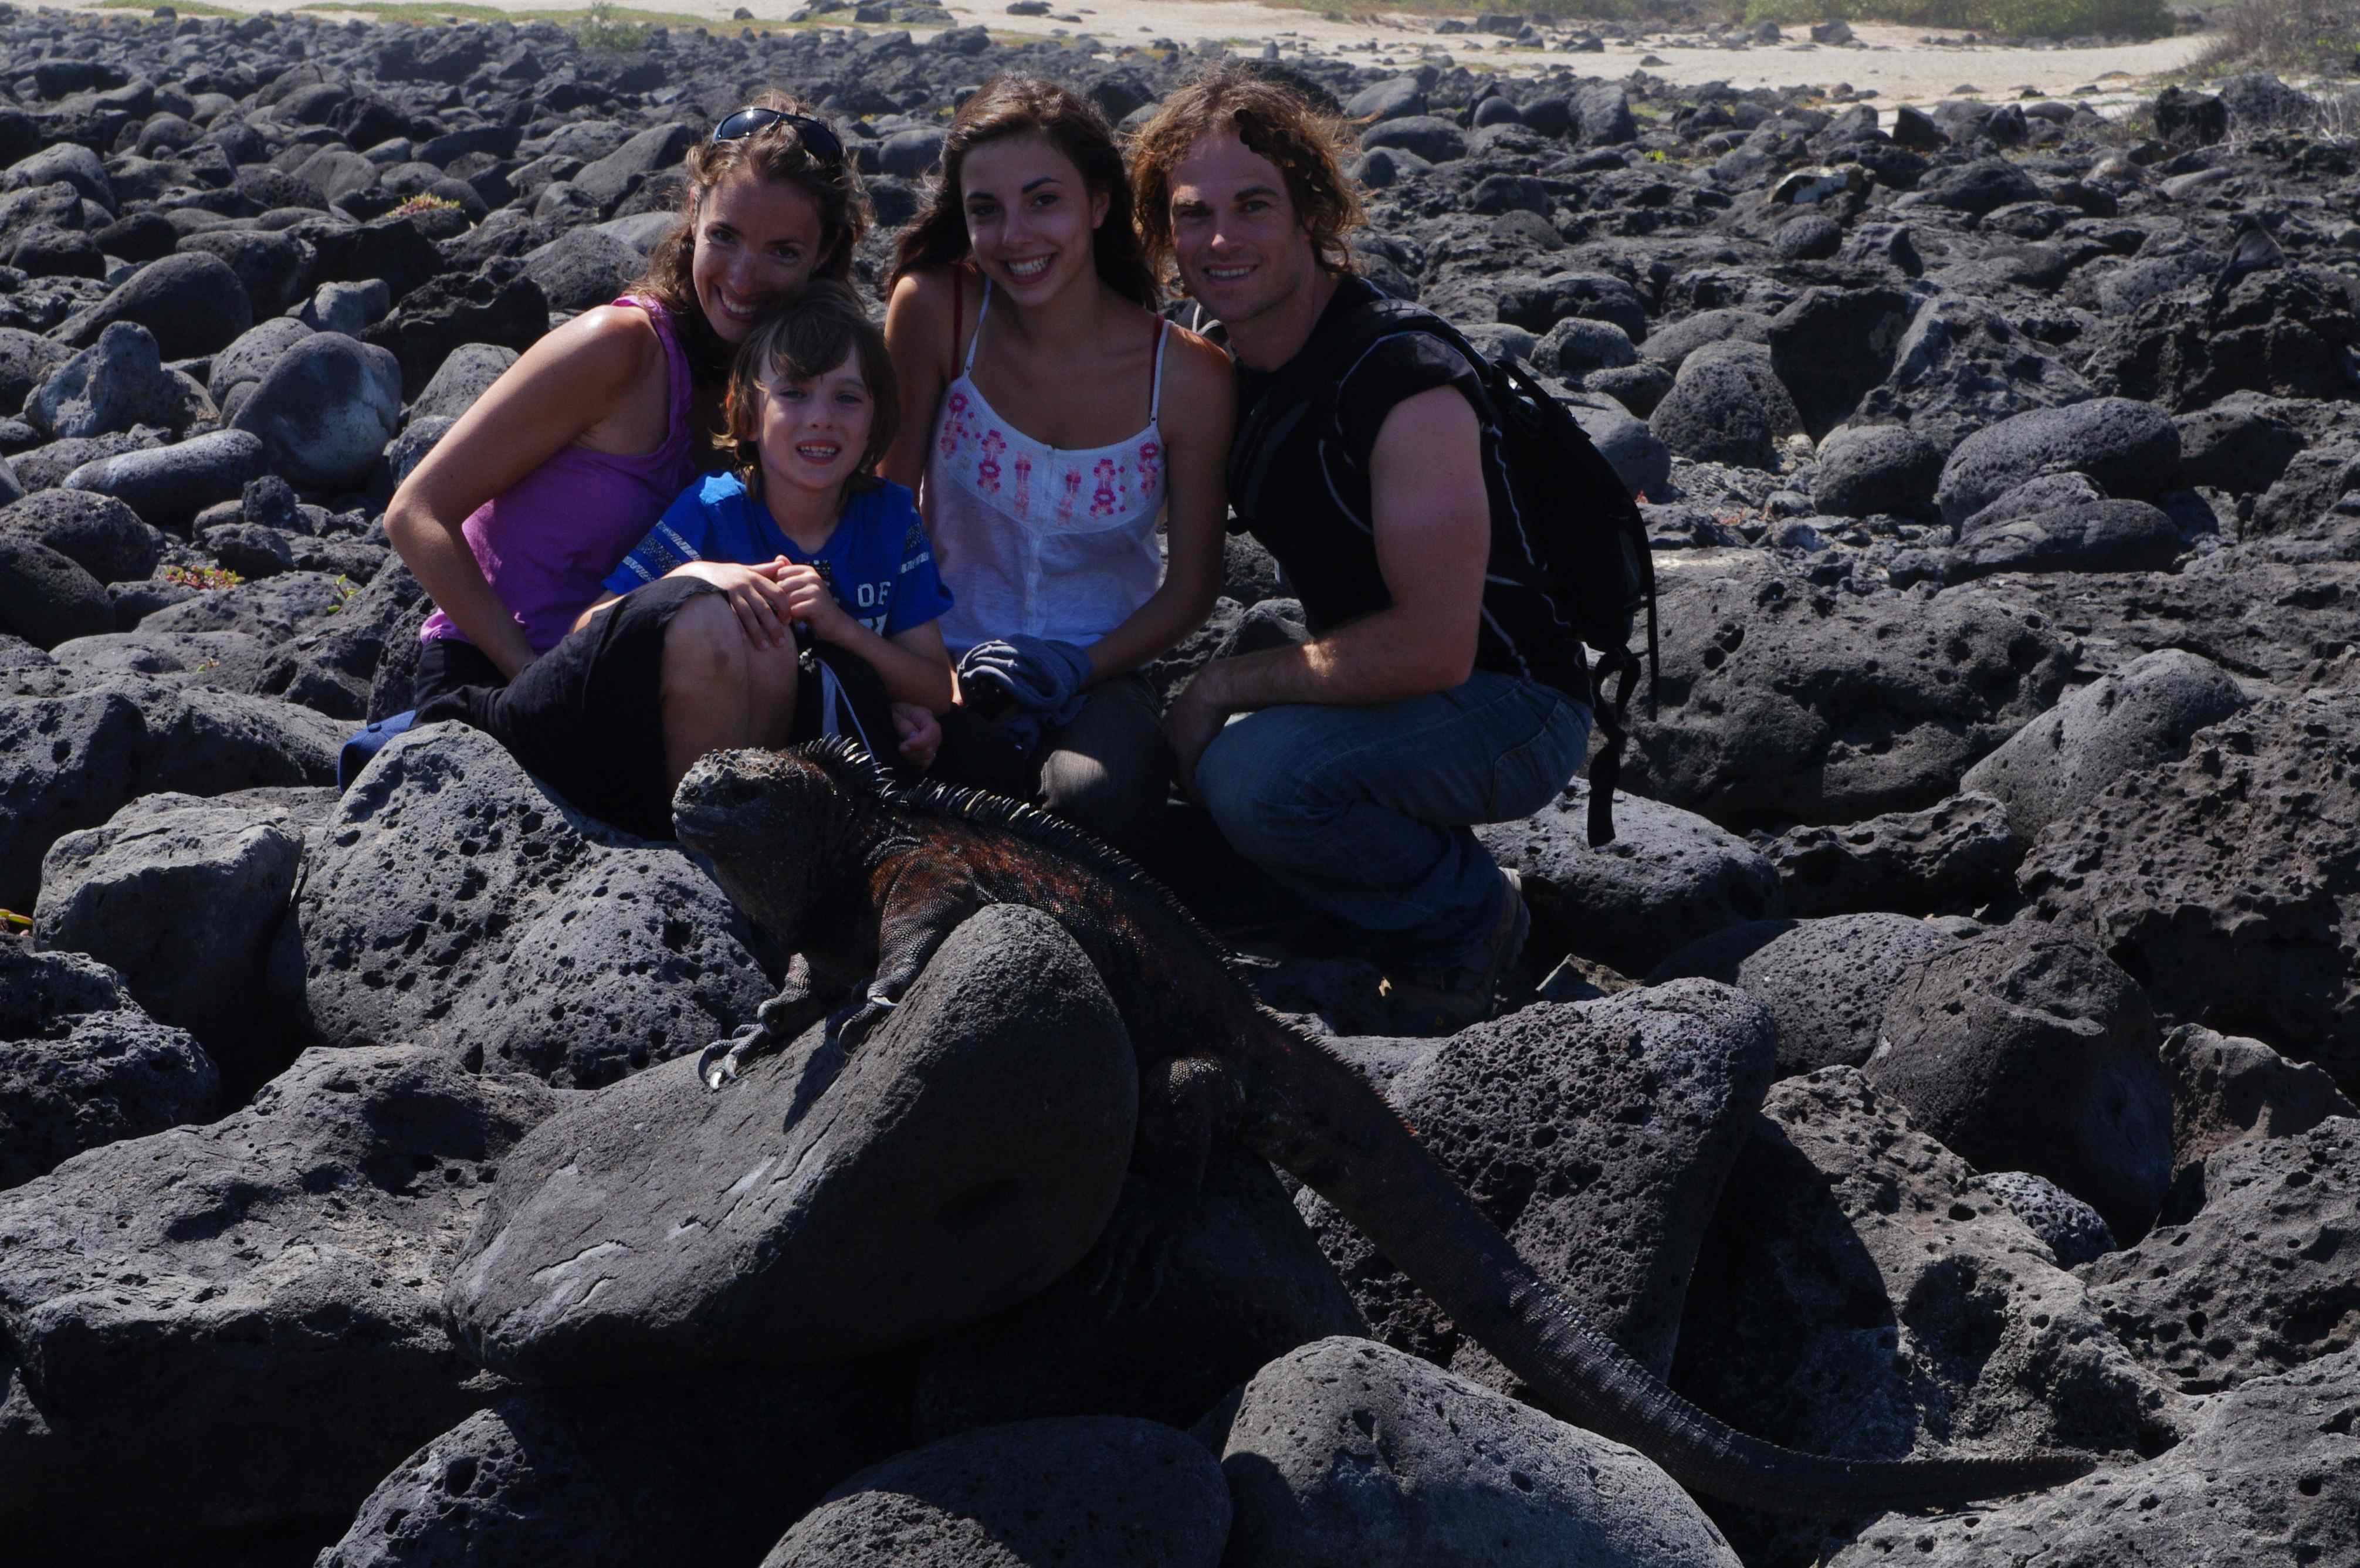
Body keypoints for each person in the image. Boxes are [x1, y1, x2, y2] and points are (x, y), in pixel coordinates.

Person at [1129, 65, 1596, 1031]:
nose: (1219, 239)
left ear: (1308, 211)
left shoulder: (1399, 379)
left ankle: (1469, 917)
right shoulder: (1221, 358)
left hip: (1511, 701)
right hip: (1399, 682)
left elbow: (1433, 647)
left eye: (1252, 206)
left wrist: (1220, 688)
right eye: (1192, 213)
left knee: (1252, 778)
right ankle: (1363, 886)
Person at [388, 93, 871, 717]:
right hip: (499, 678)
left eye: (782, 252)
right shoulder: (618, 350)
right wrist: (534, 681)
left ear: (825, 251)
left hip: (657, 683)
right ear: (693, 213)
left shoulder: (796, 389)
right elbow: (415, 512)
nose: (745, 278)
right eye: (725, 236)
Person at [425, 283, 954, 840]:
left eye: (848, 398)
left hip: (818, 779)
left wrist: (839, 628)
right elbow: (590, 630)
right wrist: (694, 576)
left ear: (877, 418)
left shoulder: (891, 518)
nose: (821, 418)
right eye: (794, 394)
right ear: (747, 416)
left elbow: (936, 688)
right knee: (750, 628)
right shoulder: (712, 510)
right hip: (676, 766)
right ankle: (705, 848)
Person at [880, 74, 1234, 853]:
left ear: (1097, 203)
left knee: (1094, 800)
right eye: (985, 210)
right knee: (903, 791)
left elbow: (1192, 586)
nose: (1014, 235)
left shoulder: (1187, 377)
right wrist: (916, 663)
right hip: (936, 649)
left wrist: (1077, 666)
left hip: (1101, 671)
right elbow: (885, 500)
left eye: (1043, 200)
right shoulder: (937, 308)